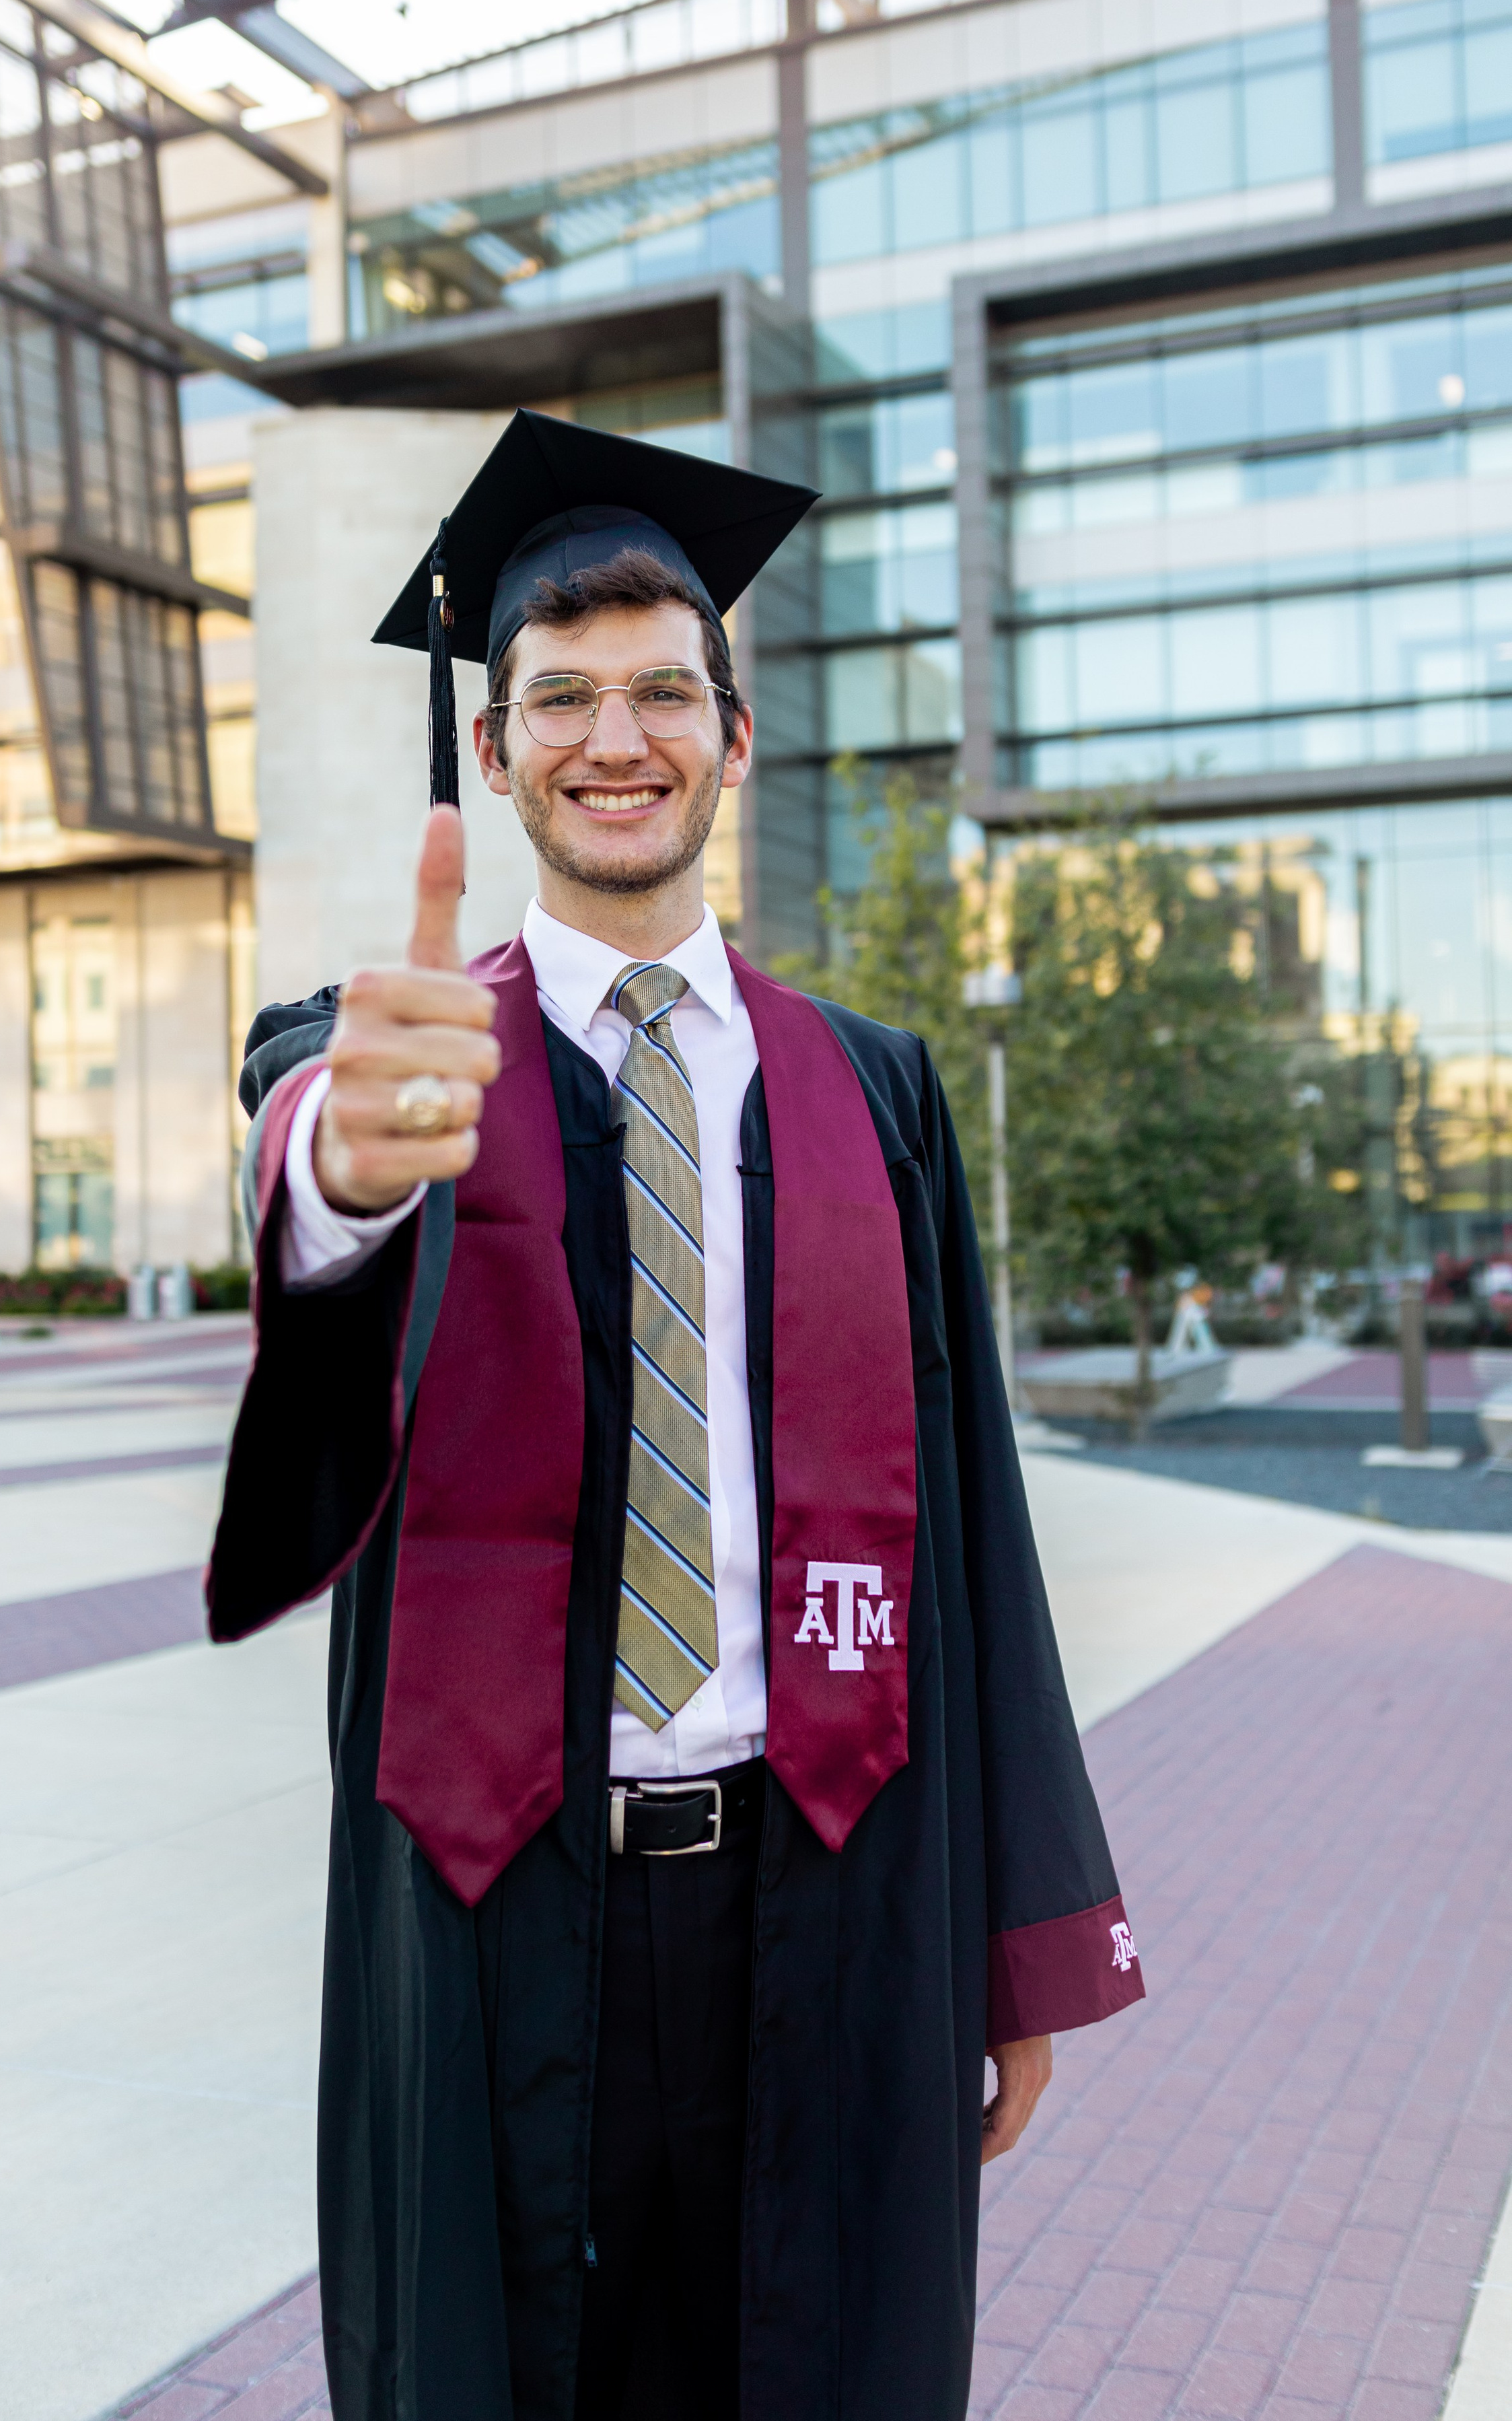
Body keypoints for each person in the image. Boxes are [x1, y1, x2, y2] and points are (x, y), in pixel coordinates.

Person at [208, 411, 1143, 2421]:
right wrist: (346, 1163)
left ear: (732, 735)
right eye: (559, 698)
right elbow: (315, 1171)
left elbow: (971, 1526)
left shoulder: (877, 1095)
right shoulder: (396, 1049)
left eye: (659, 691)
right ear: (492, 748)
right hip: (490, 1910)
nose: (610, 738)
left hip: (834, 1885)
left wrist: (1020, 1938)